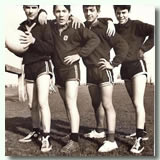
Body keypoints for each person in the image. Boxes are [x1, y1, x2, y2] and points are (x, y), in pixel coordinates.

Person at [49, 5, 100, 154]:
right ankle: (73, 133)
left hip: (72, 70)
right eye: (57, 11)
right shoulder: (51, 26)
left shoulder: (76, 26)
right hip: (58, 72)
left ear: (69, 12)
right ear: (54, 13)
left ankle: (75, 141)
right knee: (66, 104)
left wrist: (79, 54)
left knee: (71, 103)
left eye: (64, 11)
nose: (61, 14)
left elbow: (94, 39)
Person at [81, 5, 129, 152]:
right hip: (90, 71)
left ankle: (111, 140)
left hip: (103, 71)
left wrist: (113, 64)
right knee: (96, 104)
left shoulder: (106, 27)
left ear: (98, 11)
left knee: (107, 104)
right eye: (86, 10)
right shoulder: (82, 27)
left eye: (92, 10)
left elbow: (123, 46)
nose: (88, 13)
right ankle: (99, 130)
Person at [113, 5, 154, 154]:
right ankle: (143, 132)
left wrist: (143, 48)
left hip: (138, 66)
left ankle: (138, 141)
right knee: (135, 102)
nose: (121, 16)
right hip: (125, 68)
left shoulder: (137, 25)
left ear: (128, 12)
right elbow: (101, 23)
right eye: (118, 13)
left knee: (138, 102)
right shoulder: (115, 27)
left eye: (123, 12)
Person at [17, 5, 54, 153]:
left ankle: (47, 136)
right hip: (28, 66)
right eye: (27, 7)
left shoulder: (44, 23)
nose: (30, 10)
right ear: (23, 8)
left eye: (34, 7)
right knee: (32, 105)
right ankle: (36, 131)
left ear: (38, 8)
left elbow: (50, 48)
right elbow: (20, 50)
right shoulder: (20, 27)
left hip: (42, 65)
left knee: (43, 102)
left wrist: (34, 41)